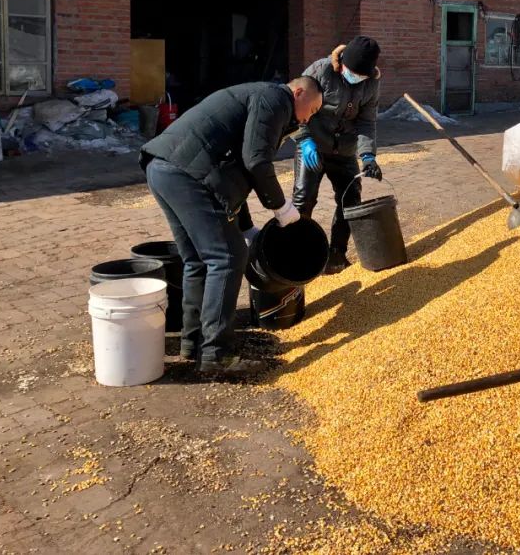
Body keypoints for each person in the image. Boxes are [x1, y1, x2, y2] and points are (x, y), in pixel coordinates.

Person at [140, 77, 323, 374]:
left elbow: (236, 170)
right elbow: (256, 162)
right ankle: (216, 355)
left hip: (164, 168)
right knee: (227, 258)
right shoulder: (276, 100)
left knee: (198, 260)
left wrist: (247, 226)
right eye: (311, 109)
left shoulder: (260, 97)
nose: (307, 118)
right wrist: (281, 206)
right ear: (298, 92)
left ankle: (193, 342)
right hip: (188, 173)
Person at [293, 36, 383, 274]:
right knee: (304, 199)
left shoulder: (371, 83)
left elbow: (366, 122)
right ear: (342, 61)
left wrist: (367, 156)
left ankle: (336, 256)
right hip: (313, 144)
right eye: (351, 72)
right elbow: (294, 104)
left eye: (360, 75)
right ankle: (298, 257)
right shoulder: (320, 71)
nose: (355, 78)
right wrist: (305, 140)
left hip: (344, 150)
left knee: (350, 199)